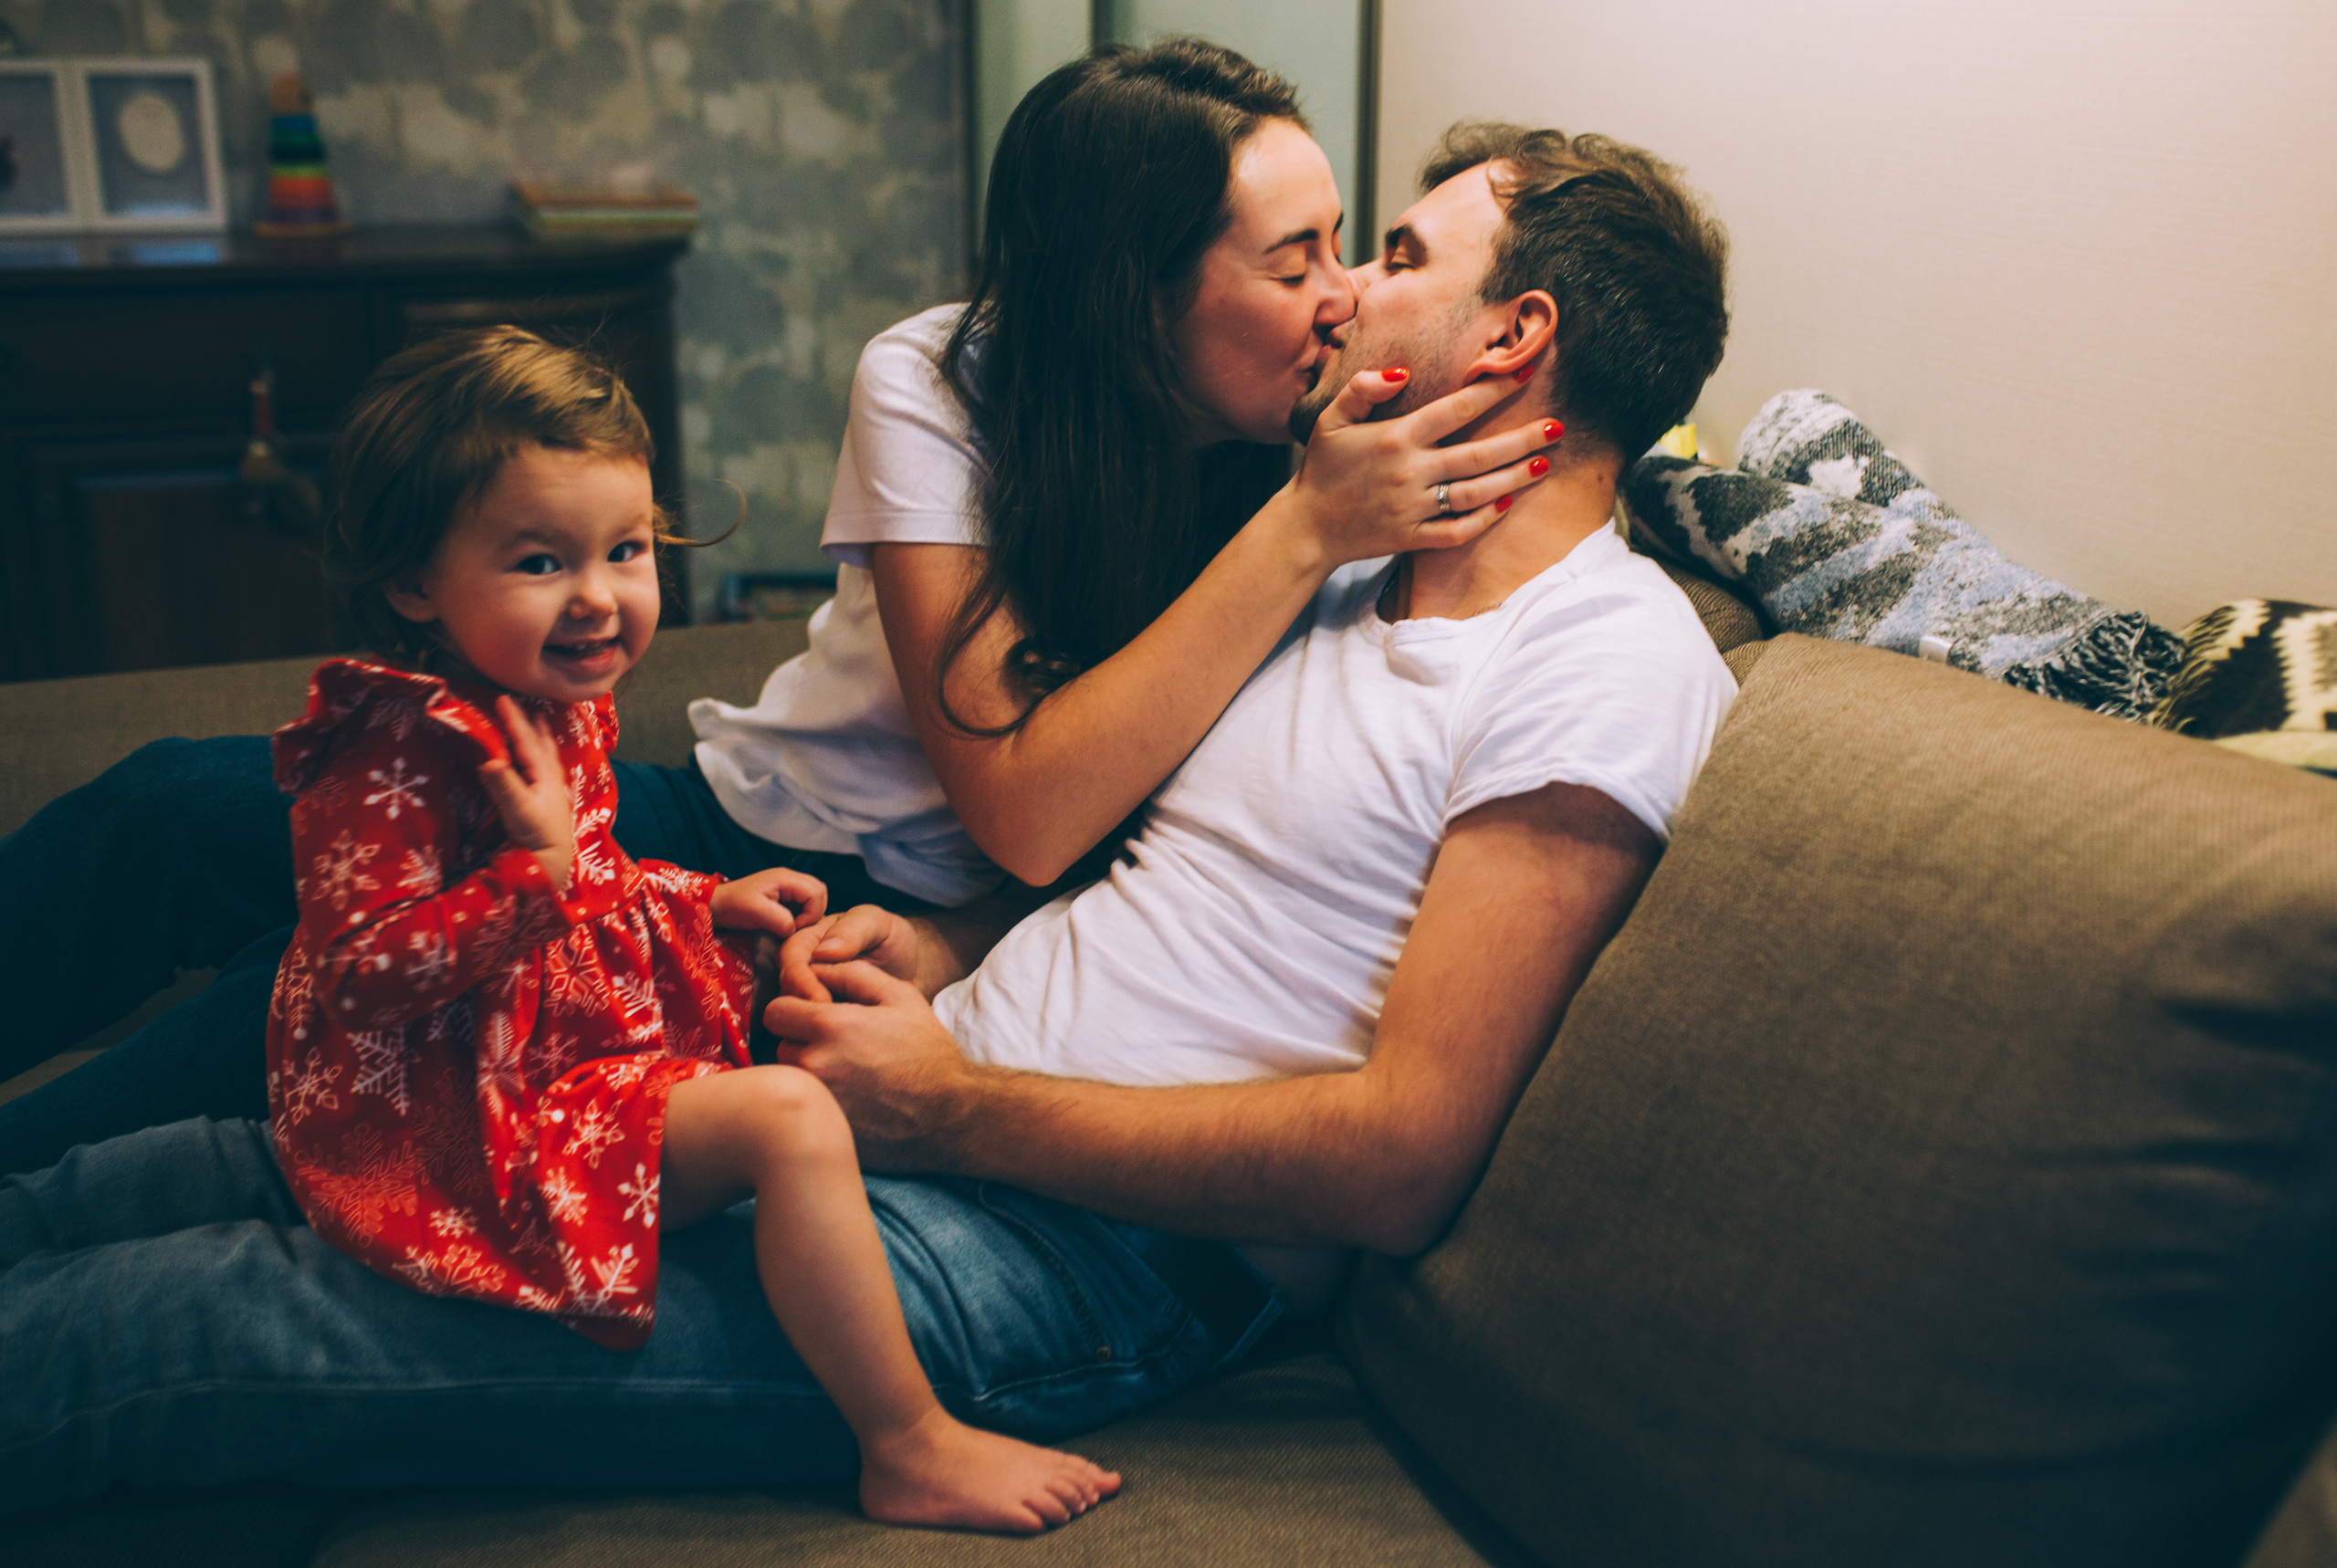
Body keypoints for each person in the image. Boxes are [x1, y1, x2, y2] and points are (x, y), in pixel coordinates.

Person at [0, 119, 1733, 1512]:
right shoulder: (1333, 575)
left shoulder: (1600, 659)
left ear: (1519, 341)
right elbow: (1158, 883)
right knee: (243, 1151)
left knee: (206, 1324)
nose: (1347, 291)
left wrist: (960, 1108)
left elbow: (1401, 1155)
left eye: (1400, 254)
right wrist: (948, 948)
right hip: (891, 1091)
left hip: (1069, 1256)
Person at [0, 39, 1556, 1175]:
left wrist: (962, 930)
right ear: (1137, 294)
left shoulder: (1324, 484)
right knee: (173, 807)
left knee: (282, 1028)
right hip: (725, 820)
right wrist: (1298, 529)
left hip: (813, 930)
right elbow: (1009, 770)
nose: (1348, 295)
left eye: (1353, 247)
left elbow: (1049, 841)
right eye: (1302, 258)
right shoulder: (944, 379)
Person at [263, 326, 1118, 1531]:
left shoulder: (552, 703)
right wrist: (533, 877)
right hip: (452, 1117)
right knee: (789, 1118)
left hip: (535, 1059)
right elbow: (360, 974)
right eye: (540, 561)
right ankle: (908, 1440)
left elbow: (597, 869)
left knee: (786, 1050)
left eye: (626, 548)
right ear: (413, 583)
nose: (600, 598)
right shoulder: (397, 749)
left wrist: (698, 901)